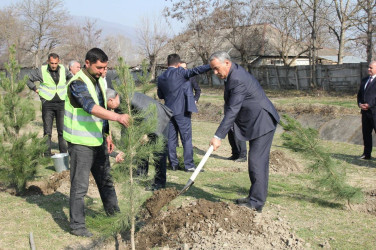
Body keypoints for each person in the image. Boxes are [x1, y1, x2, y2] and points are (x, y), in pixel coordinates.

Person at [63, 48, 130, 237]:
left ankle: (115, 217)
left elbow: (101, 106)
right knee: (80, 186)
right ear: (87, 63)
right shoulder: (77, 83)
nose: (102, 71)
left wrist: (107, 134)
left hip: (98, 141)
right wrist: (118, 117)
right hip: (80, 143)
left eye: (105, 68)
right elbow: (90, 107)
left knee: (106, 182)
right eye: (99, 67)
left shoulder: (100, 81)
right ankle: (77, 226)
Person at [208, 51, 279, 213]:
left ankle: (256, 203)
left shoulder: (237, 78)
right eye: (213, 69)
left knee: (256, 162)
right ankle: (254, 196)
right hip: (255, 120)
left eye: (217, 68)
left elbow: (233, 109)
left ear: (227, 63)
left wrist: (218, 136)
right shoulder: (233, 73)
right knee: (256, 162)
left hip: (262, 121)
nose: (215, 73)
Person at [107, 89, 173, 191]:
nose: (109, 110)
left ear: (111, 100)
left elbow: (149, 118)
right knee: (142, 149)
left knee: (158, 151)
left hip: (158, 118)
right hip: (144, 121)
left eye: (107, 106)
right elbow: (126, 127)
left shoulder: (130, 100)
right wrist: (125, 149)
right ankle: (141, 175)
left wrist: (145, 135)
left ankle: (159, 182)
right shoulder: (120, 105)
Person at [157, 53, 211, 172]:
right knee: (186, 138)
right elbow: (196, 70)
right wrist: (210, 65)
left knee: (171, 139)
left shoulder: (161, 77)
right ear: (178, 64)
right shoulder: (180, 72)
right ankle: (189, 165)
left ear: (167, 64)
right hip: (182, 111)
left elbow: (160, 95)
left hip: (168, 111)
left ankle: (173, 164)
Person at [27, 53, 72, 156]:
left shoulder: (63, 69)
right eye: (52, 63)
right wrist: (35, 89)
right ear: (48, 61)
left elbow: (70, 78)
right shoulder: (41, 70)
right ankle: (47, 154)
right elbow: (27, 79)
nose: (54, 65)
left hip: (61, 103)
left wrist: (67, 87)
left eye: (56, 63)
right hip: (48, 104)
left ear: (59, 62)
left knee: (62, 131)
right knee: (47, 131)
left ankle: (63, 154)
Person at [357, 61, 376, 160]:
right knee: (366, 134)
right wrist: (360, 104)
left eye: (371, 68)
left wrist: (370, 105)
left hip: (374, 112)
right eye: (368, 67)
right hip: (365, 113)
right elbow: (360, 94)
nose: (368, 69)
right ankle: (366, 154)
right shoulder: (364, 80)